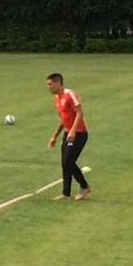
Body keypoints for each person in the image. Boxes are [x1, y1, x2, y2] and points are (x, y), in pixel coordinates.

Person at [46, 73, 92, 201]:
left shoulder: (69, 94)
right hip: (68, 133)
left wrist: (73, 131)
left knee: (68, 161)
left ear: (58, 83)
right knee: (65, 164)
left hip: (79, 133)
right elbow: (63, 120)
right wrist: (54, 136)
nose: (48, 87)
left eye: (50, 84)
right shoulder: (57, 99)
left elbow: (79, 113)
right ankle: (66, 194)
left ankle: (84, 186)